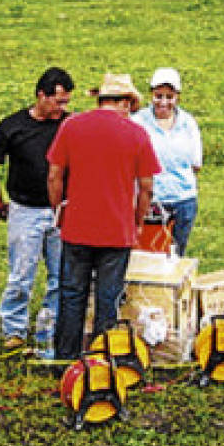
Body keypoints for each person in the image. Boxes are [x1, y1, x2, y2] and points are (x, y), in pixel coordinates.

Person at [47, 73, 160, 360]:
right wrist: (137, 221)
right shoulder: (137, 134)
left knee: (72, 296)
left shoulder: (72, 126)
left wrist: (58, 209)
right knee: (107, 300)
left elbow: (54, 175)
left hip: (77, 228)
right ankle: (102, 359)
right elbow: (146, 187)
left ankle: (66, 358)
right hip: (116, 231)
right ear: (123, 102)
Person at [0, 67, 74, 351]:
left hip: (62, 210)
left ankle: (51, 323)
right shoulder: (12, 127)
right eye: (58, 101)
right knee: (21, 273)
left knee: (62, 274)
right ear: (41, 96)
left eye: (66, 102)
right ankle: (14, 329)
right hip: (25, 210)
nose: (63, 108)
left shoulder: (70, 125)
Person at [132, 67, 203, 255]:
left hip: (183, 198)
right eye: (159, 96)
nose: (163, 102)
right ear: (151, 95)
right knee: (149, 253)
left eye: (169, 97)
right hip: (151, 200)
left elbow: (196, 163)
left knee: (176, 253)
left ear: (177, 97)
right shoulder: (138, 122)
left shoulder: (188, 123)